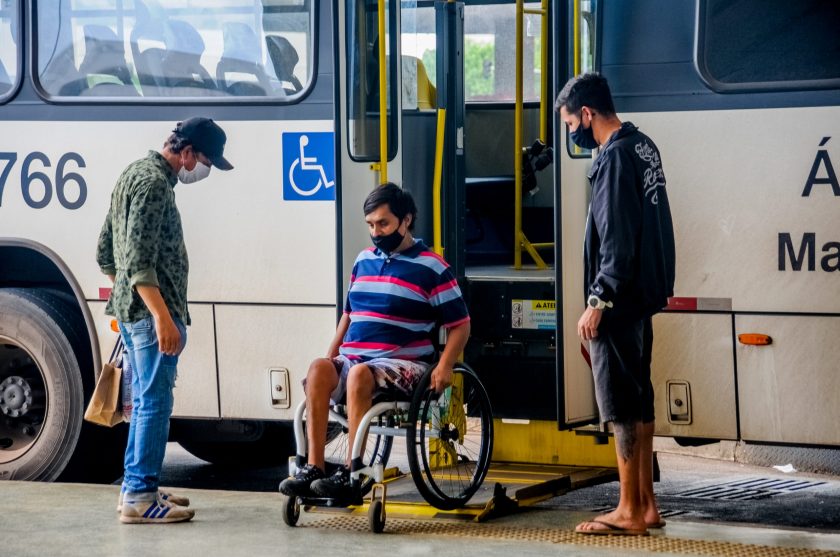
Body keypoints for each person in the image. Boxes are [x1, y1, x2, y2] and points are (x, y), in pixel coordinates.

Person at [280, 183, 471, 501]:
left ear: (405, 220)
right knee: (318, 369)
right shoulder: (363, 260)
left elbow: (461, 325)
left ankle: (354, 472)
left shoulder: (433, 268)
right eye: (370, 225)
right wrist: (330, 356)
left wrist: (445, 365)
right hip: (357, 360)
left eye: (383, 223)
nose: (376, 232)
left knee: (358, 375)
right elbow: (349, 314)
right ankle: (314, 467)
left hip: (404, 363)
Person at [96, 117, 234, 524]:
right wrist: (159, 316)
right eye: (205, 160)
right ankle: (140, 496)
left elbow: (106, 251)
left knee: (143, 404)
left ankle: (139, 487)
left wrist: (127, 297)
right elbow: (138, 262)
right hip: (151, 315)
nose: (202, 169)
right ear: (186, 151)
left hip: (136, 311)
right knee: (154, 404)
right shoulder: (155, 185)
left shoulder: (132, 174)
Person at [555, 73, 676, 536]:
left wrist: (598, 299)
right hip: (642, 294)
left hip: (619, 299)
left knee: (621, 404)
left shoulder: (614, 158)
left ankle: (627, 510)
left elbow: (617, 236)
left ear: (587, 114)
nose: (572, 133)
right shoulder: (643, 146)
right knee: (639, 396)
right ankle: (646, 505)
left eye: (570, 124)